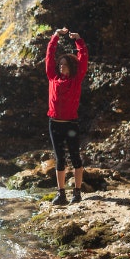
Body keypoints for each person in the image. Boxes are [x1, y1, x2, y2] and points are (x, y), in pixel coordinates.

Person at [45, 27, 88, 205]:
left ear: (71, 67)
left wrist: (78, 40)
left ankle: (77, 193)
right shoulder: (52, 78)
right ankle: (61, 193)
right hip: (54, 124)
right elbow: (49, 56)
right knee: (60, 159)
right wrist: (55, 37)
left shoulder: (76, 80)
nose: (61, 66)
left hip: (71, 124)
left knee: (75, 157)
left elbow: (83, 58)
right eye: (60, 64)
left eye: (64, 64)